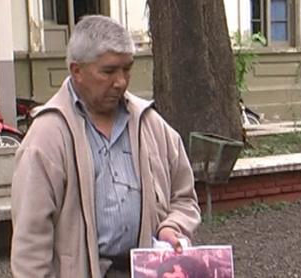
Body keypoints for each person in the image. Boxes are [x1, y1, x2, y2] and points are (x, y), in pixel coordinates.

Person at [11, 15, 201, 278]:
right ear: (76, 71)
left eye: (127, 69)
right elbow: (30, 243)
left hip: (148, 271)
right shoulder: (47, 137)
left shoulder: (150, 124)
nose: (121, 81)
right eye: (109, 71)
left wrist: (172, 227)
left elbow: (184, 197)